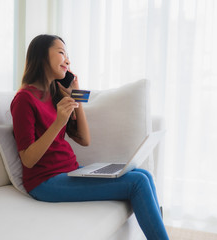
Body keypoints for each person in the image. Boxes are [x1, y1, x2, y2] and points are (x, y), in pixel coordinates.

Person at [11, 34, 169, 240]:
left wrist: (76, 95)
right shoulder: (24, 99)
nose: (67, 60)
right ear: (41, 57)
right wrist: (58, 121)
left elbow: (85, 140)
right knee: (137, 182)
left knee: (143, 174)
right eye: (61, 53)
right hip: (44, 182)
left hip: (71, 171)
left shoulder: (55, 94)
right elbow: (28, 159)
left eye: (68, 55)